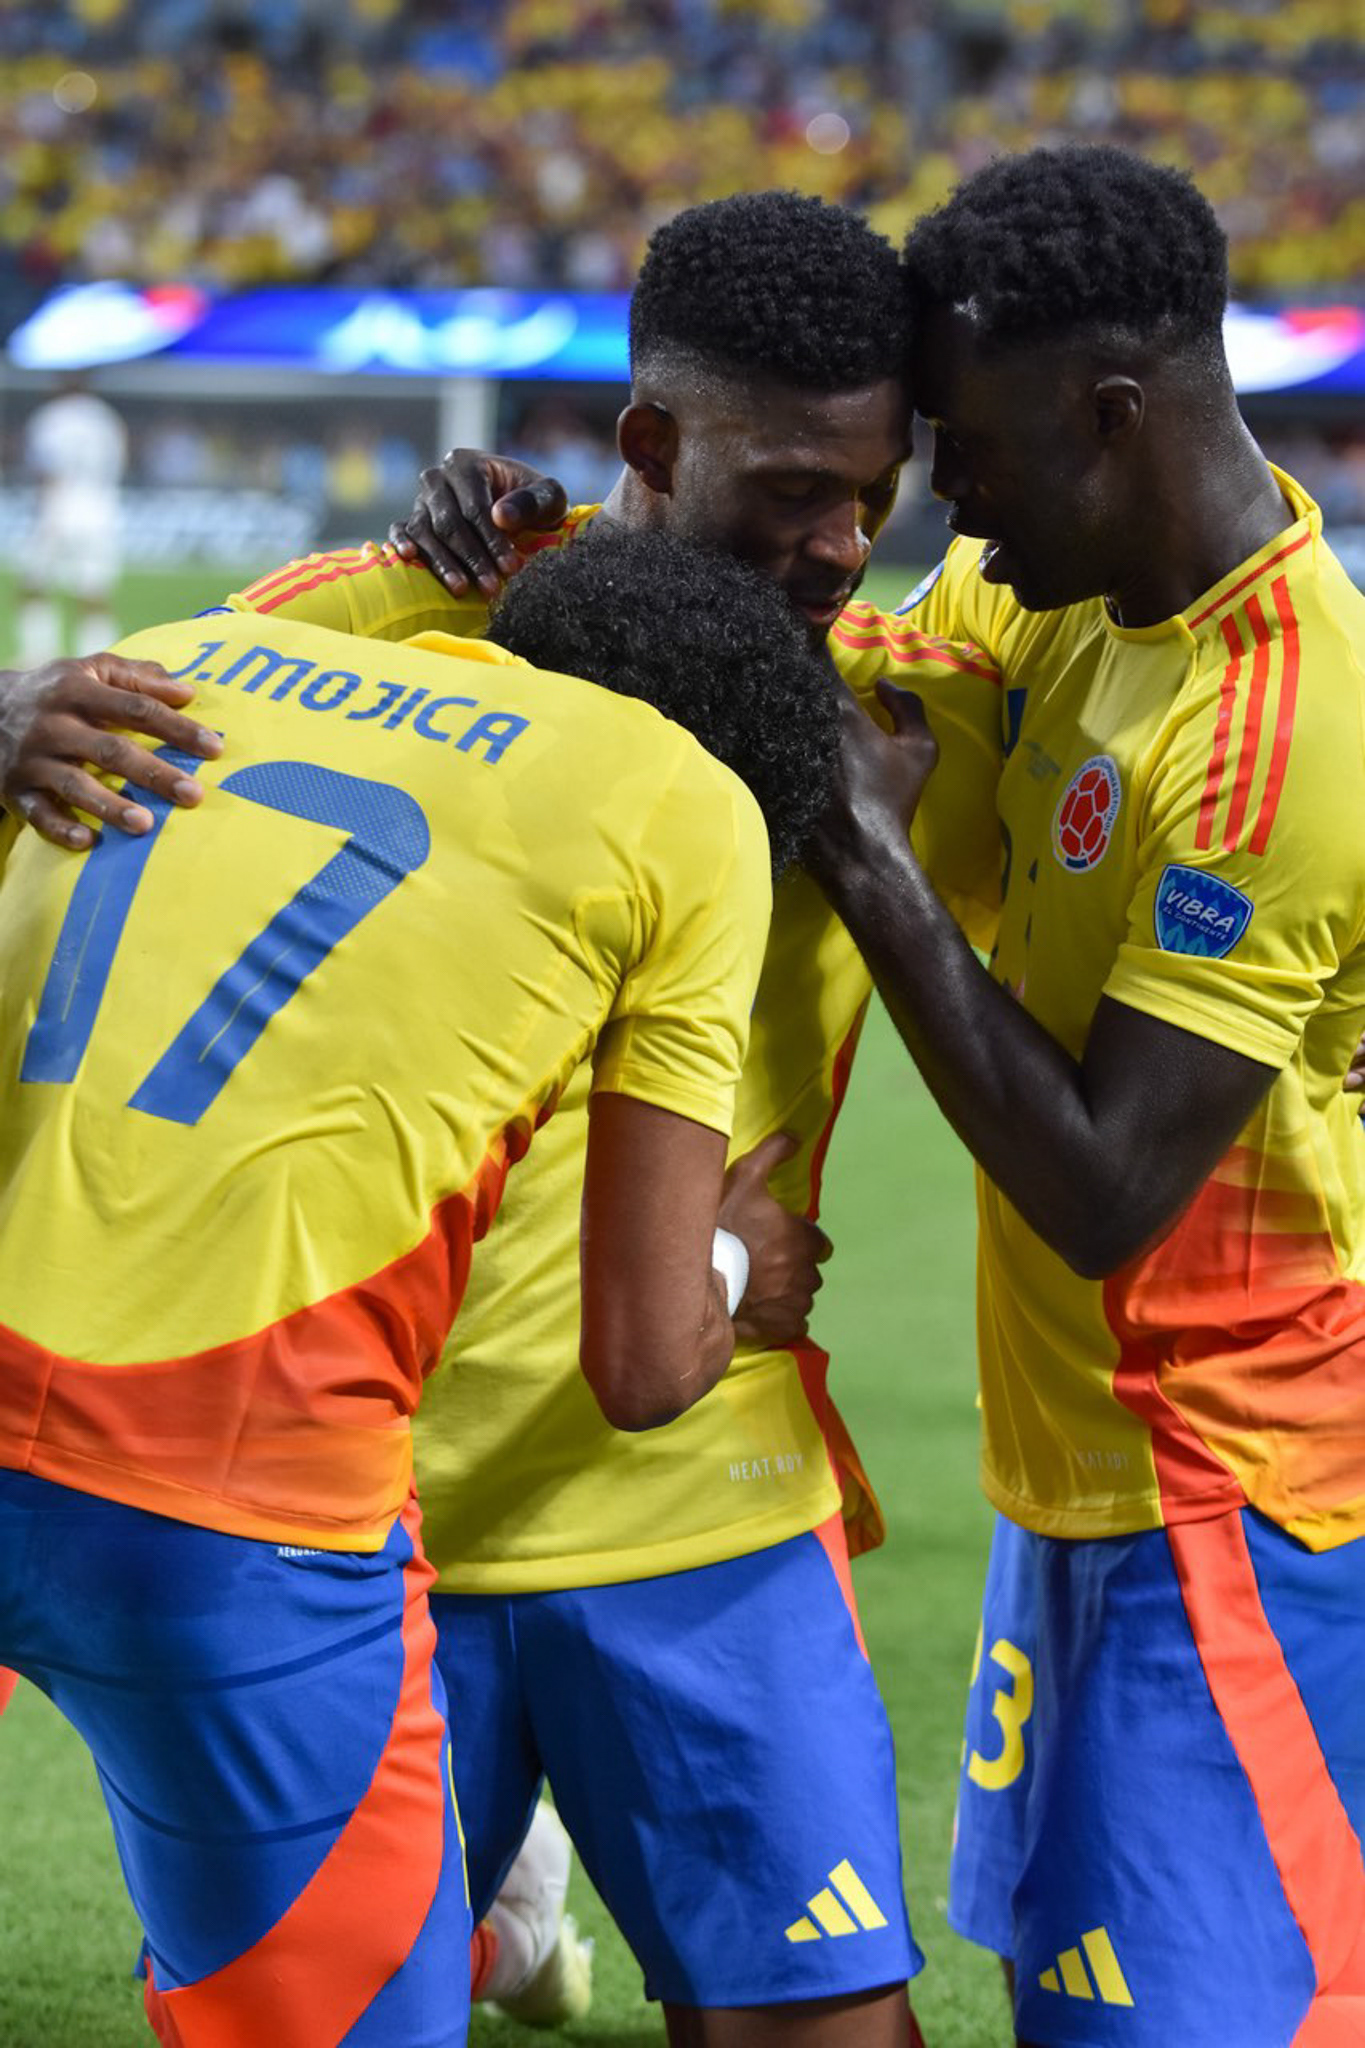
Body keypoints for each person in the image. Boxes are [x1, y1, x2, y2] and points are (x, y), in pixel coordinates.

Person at [0, 192, 1005, 2047]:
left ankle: (498, 1881)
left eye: (878, 493)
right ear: (650, 443)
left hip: (687, 1501)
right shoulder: (375, 602)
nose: (844, 545)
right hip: (356, 1508)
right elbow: (118, 724)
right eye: (796, 489)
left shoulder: (904, 715)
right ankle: (494, 1881)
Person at [0, 522, 843, 2048]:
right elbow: (647, 1363)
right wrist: (736, 1254)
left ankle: (500, 1906)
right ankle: (495, 1912)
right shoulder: (689, 806)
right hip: (241, 1502)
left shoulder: (189, 655)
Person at [801, 144, 1365, 2048]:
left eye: (964, 447)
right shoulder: (1034, 584)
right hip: (1077, 1474)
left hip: (1235, 1491)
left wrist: (876, 867)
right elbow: (827, 689)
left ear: (1112, 414)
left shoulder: (1282, 724)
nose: (941, 495)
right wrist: (553, 547)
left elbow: (1110, 1186)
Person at [18, 374, 128, 665]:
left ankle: (39, 655)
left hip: (59, 508)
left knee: (34, 585)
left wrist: (46, 512)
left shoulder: (52, 417)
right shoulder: (106, 418)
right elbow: (121, 460)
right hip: (101, 510)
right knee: (94, 591)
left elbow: (48, 469)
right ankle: (100, 659)